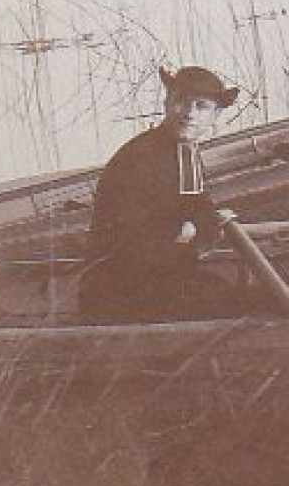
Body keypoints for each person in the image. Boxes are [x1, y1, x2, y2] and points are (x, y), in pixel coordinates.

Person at [78, 65, 246, 321]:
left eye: (201, 106)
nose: (189, 114)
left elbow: (195, 204)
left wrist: (209, 219)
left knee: (231, 294)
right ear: (167, 101)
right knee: (229, 302)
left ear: (215, 115)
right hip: (118, 286)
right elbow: (127, 235)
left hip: (156, 274)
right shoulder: (140, 156)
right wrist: (187, 230)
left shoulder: (184, 150)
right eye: (181, 101)